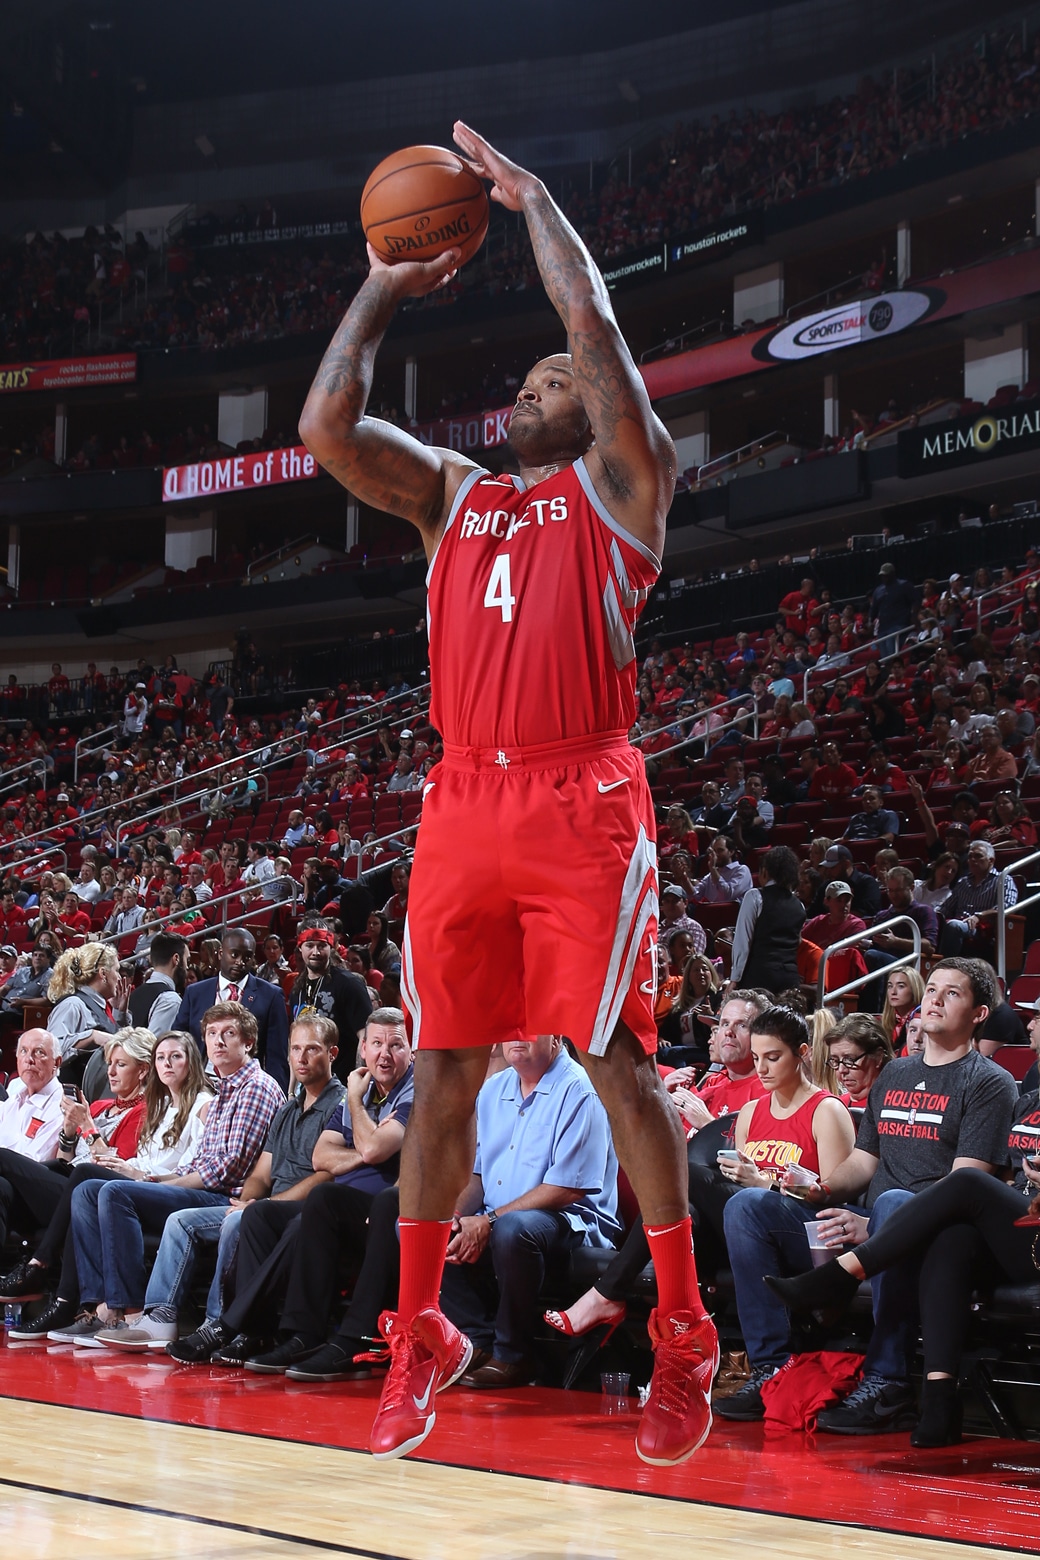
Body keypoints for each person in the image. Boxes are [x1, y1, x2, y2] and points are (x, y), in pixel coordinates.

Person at [299, 119, 718, 1467]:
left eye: (553, 379)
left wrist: (538, 209)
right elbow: (323, 425)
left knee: (613, 1059)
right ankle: (421, 1329)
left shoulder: (623, 489)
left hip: (581, 797)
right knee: (442, 1070)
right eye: (528, 378)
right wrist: (384, 278)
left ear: (593, 409)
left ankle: (683, 1332)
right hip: (463, 801)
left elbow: (593, 331)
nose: (532, 386)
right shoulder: (453, 497)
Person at [766, 996, 1040, 1445]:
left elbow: (978, 1180)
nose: (1031, 1025)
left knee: (960, 1188)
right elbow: (1010, 1176)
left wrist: (875, 1227)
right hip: (1016, 1229)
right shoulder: (1031, 1097)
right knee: (952, 1237)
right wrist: (824, 1188)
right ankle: (939, 1402)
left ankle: (841, 1276)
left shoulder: (991, 1082)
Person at [168, 1008, 411, 1368]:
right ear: (363, 1050)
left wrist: (359, 1118)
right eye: (376, 1044)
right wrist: (367, 1148)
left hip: (377, 1207)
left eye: (395, 1045)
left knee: (318, 1203)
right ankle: (258, 1332)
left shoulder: (384, 1093)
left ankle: (240, 1326)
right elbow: (322, 1155)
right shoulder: (356, 1090)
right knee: (260, 1214)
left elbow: (365, 1152)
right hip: (336, 1205)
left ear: (412, 1050)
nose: (384, 1054)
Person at [103, 1013, 345, 1355]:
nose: (302, 1058)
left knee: (235, 1220)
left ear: (332, 1053)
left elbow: (327, 1175)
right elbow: (261, 1174)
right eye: (296, 1049)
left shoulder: (340, 1103)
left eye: (312, 1049)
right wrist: (247, 1201)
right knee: (181, 1220)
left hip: (304, 1209)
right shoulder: (289, 1107)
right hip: (263, 1205)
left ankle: (218, 1323)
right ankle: (159, 1314)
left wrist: (258, 1207)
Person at [546, 991, 772, 1344]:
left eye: (741, 1025)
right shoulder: (707, 1083)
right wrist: (662, 1103)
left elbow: (760, 1161)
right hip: (699, 1219)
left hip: (743, 1217)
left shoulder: (766, 1089)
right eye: (723, 1023)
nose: (727, 1032)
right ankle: (671, 1343)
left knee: (679, 1183)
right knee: (683, 1211)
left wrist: (708, 1121)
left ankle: (607, 1296)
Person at [67, 1002, 282, 1347]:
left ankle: (133, 1310)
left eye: (229, 1034)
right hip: (201, 1186)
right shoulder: (226, 1089)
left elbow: (227, 1168)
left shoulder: (255, 1087)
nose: (219, 1042)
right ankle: (99, 1307)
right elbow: (198, 1162)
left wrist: (156, 1182)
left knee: (114, 1192)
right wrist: (155, 1181)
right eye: (212, 1034)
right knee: (89, 1189)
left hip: (226, 1196)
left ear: (249, 1042)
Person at [2, 1030, 212, 1341]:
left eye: (120, 1065)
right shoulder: (104, 1106)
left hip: (123, 1187)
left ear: (142, 1071)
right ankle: (52, 1287)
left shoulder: (145, 1111)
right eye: (109, 1063)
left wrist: (88, 1128)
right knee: (7, 1185)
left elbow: (113, 1165)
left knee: (48, 1170)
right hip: (81, 1181)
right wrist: (71, 1130)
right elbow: (66, 1158)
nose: (110, 1072)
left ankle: (45, 1273)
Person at [711, 1007, 857, 1421]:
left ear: (802, 1053)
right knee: (713, 1200)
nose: (761, 1068)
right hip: (751, 1228)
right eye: (756, 1058)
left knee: (745, 1203)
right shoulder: (751, 1113)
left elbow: (832, 1199)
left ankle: (770, 1365)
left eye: (772, 1057)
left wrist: (763, 1184)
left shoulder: (826, 1111)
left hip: (814, 1237)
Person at [174, 928, 290, 1090]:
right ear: (221, 953)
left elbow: (277, 1057)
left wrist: (278, 1098)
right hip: (198, 1083)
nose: (240, 962)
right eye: (234, 955)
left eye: (247, 957)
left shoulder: (271, 995)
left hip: (247, 1087)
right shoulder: (195, 992)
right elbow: (179, 1040)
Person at [287, 917, 373, 1082]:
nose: (316, 952)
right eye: (310, 945)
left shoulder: (349, 984)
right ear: (300, 948)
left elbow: (366, 1036)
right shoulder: (297, 989)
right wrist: (291, 1091)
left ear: (331, 947)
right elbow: (294, 1042)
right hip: (306, 1085)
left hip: (340, 1082)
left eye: (322, 946)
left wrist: (357, 1079)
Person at [45, 942, 132, 1089]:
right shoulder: (73, 1004)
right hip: (71, 1097)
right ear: (103, 974)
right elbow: (50, 1051)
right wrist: (91, 1036)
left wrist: (120, 1014)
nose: (119, 977)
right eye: (116, 971)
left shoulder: (102, 1005)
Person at [730, 845, 804, 994]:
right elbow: (798, 941)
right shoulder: (799, 905)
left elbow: (742, 942)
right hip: (790, 977)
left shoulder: (754, 896)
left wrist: (734, 979)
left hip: (760, 976)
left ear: (765, 870)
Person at [938, 839, 1018, 956]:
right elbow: (946, 908)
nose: (972, 860)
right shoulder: (963, 882)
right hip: (960, 923)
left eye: (978, 856)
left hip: (983, 929)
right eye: (970, 857)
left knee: (954, 926)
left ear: (991, 860)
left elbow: (1009, 906)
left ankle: (945, 965)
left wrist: (980, 916)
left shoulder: (1003, 879)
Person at [822, 1014, 894, 1106]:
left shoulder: (893, 1106)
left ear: (878, 1057)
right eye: (835, 1060)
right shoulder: (837, 1106)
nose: (841, 1070)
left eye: (849, 1060)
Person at [126, 932, 187, 1037]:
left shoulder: (135, 993)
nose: (187, 967)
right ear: (176, 959)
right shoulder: (170, 1000)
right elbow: (154, 1047)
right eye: (187, 960)